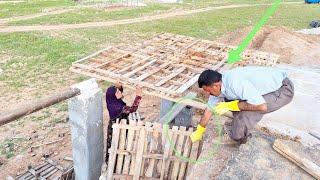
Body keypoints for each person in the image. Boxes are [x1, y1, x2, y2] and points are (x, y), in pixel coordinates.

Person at [190, 66, 294, 144]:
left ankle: (236, 138)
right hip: (265, 88)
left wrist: (231, 106)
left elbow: (261, 106)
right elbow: (209, 110)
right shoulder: (218, 85)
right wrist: (199, 131)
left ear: (215, 85)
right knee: (230, 101)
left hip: (282, 89)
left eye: (207, 90)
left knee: (246, 113)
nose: (207, 93)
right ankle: (237, 128)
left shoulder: (235, 83)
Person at [105, 84, 142, 162]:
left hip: (116, 126)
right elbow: (132, 109)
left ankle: (115, 162)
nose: (120, 92)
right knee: (116, 146)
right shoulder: (117, 108)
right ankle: (113, 165)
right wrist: (138, 95)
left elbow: (119, 93)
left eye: (119, 91)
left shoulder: (112, 101)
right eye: (117, 92)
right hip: (116, 130)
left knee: (117, 146)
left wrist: (119, 86)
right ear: (113, 95)